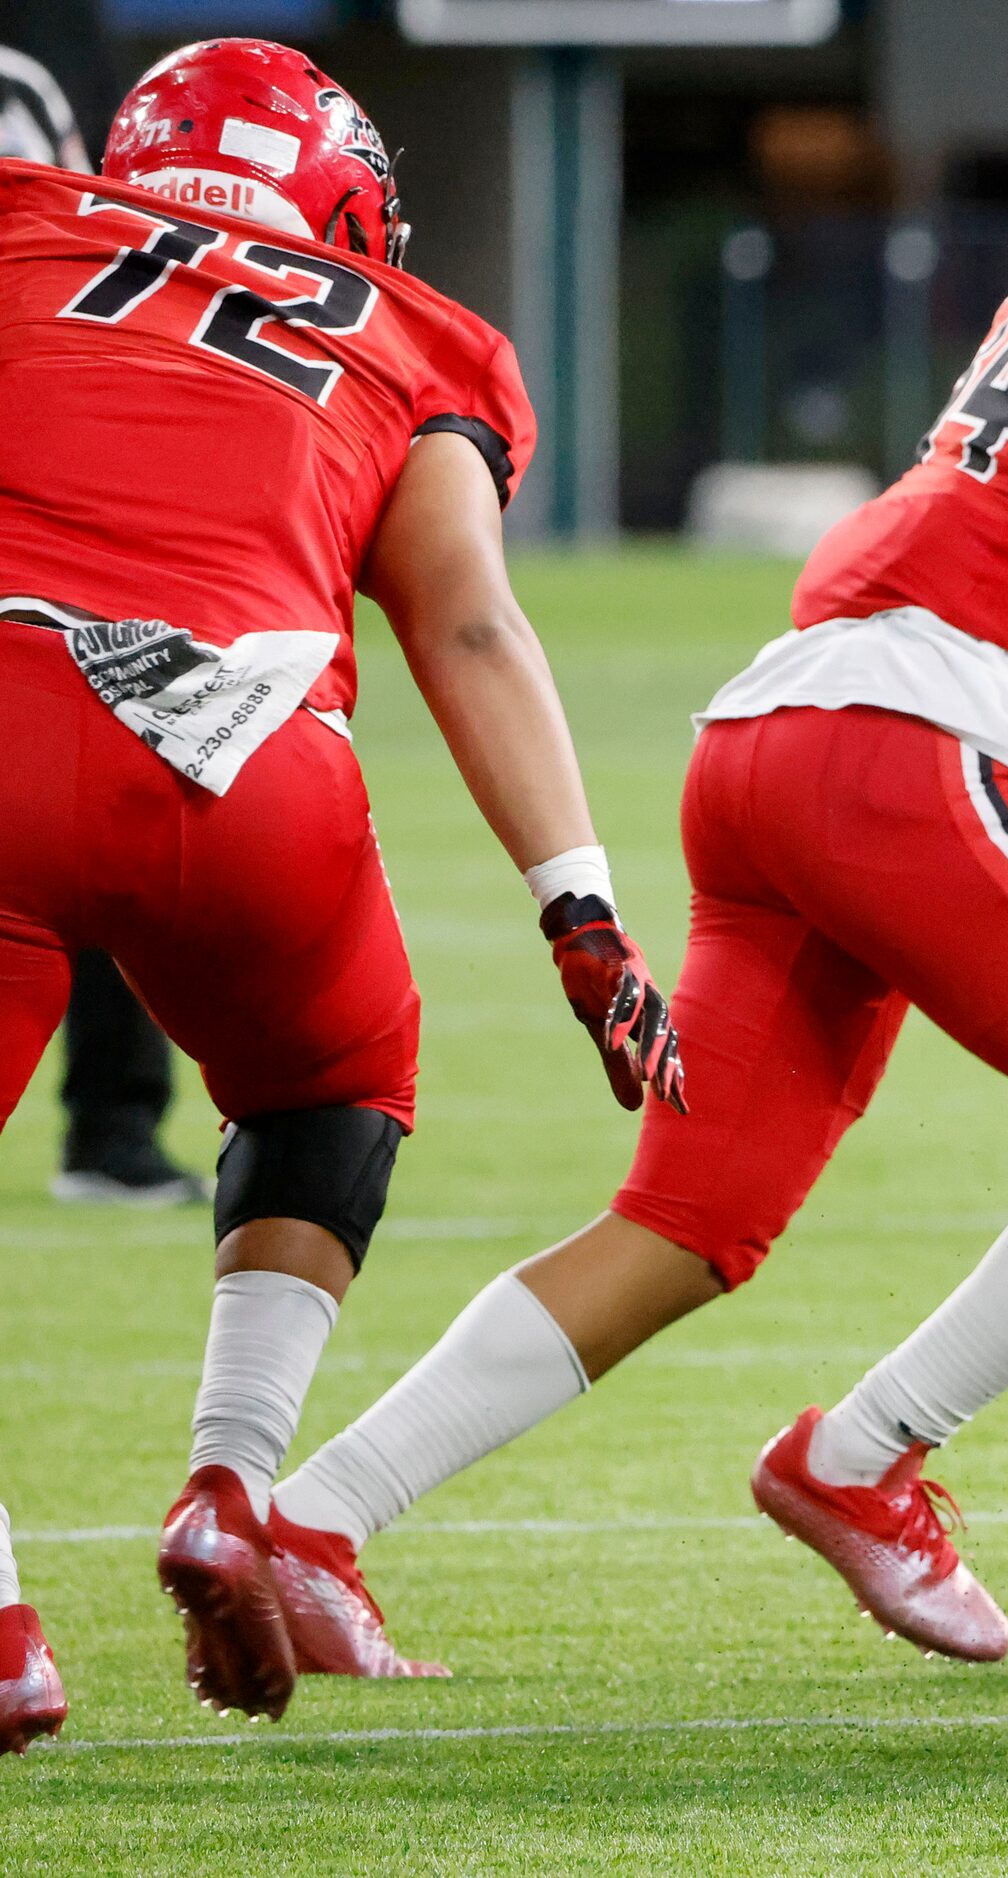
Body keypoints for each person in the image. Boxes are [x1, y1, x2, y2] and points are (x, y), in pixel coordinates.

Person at [262, 27, 1008, 1677]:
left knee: (688, 1221)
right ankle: (866, 1453)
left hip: (776, 734)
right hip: (919, 743)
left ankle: (312, 1522)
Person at [0, 39, 684, 1739]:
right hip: (246, 754)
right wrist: (579, 910)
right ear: (347, 204)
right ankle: (232, 1482)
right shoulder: (418, 332)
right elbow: (463, 616)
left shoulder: (22, 223)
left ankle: (5, 1620)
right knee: (334, 1085)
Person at [0, 0, 205, 1208]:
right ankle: (112, 1128)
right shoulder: (53, 46)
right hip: (66, 453)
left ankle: (115, 1128)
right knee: (113, 771)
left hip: (59, 444)